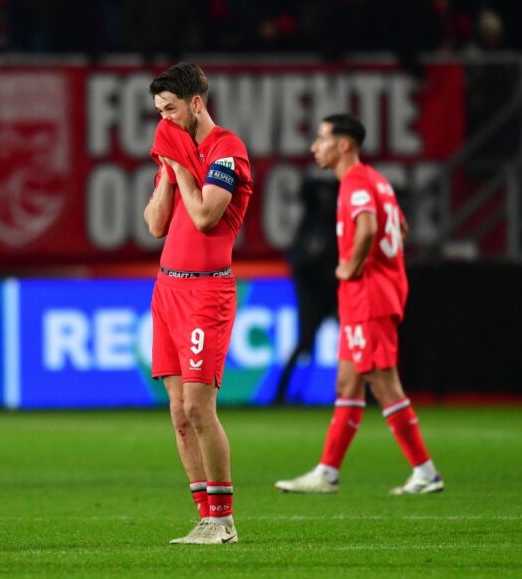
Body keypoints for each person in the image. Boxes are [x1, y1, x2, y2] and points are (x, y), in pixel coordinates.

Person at [275, 113, 444, 495]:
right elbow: (400, 227)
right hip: (368, 295)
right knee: (347, 383)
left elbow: (368, 227)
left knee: (384, 386)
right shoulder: (377, 181)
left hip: (369, 295)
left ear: (344, 144)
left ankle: (426, 472)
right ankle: (327, 472)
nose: (315, 146)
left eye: (322, 139)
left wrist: (350, 265)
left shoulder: (354, 183)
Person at [144, 63, 253, 545]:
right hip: (167, 289)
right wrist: (168, 176)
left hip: (206, 291)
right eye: (158, 112)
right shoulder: (176, 150)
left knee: (198, 406)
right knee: (176, 410)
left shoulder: (226, 149)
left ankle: (225, 520)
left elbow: (208, 215)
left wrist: (183, 169)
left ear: (196, 104)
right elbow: (154, 224)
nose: (164, 119)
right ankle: (205, 516)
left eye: (170, 109)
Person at [275, 178, 338, 404]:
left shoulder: (333, 222)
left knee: (354, 342)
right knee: (304, 343)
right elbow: (306, 188)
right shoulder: (311, 223)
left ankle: (365, 394)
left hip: (335, 291)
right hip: (314, 294)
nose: (327, 202)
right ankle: (281, 395)